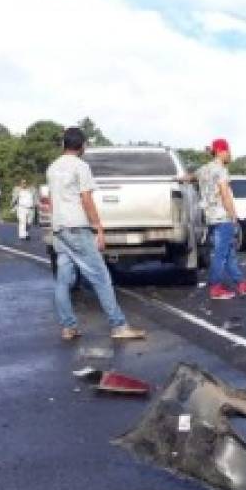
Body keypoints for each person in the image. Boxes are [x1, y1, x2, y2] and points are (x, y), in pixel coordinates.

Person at [47, 126, 146, 343]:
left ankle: (68, 327)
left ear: (64, 144)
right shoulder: (81, 167)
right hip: (77, 227)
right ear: (82, 145)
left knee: (64, 280)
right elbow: (86, 200)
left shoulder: (52, 168)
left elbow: (53, 202)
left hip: (60, 227)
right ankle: (118, 325)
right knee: (101, 277)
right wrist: (98, 227)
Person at [196, 138, 246, 301]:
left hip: (210, 216)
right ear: (221, 151)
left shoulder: (203, 170)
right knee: (221, 253)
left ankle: (240, 284)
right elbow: (225, 193)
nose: (230, 154)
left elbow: (189, 177)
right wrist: (233, 215)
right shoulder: (221, 170)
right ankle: (215, 287)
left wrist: (178, 178)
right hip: (223, 216)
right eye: (228, 151)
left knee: (229, 252)